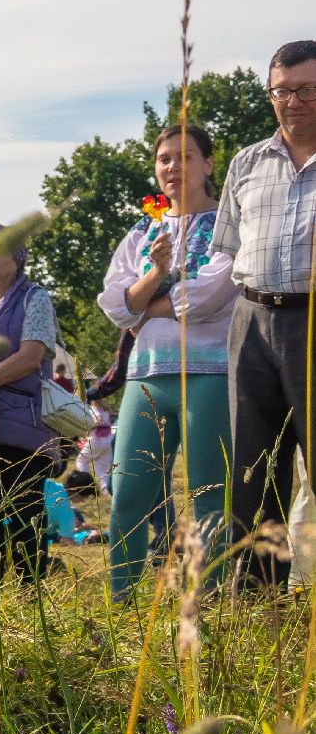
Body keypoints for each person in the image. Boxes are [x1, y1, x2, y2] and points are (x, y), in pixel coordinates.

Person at [98, 123, 235, 599]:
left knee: (210, 491)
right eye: (165, 159)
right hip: (146, 374)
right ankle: (124, 599)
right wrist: (157, 272)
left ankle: (212, 600)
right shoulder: (143, 230)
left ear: (209, 164)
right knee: (129, 490)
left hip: (209, 371)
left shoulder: (226, 224)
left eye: (186, 157)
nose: (174, 167)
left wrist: (147, 302)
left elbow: (211, 294)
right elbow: (114, 303)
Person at [211, 40, 316, 589]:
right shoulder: (246, 162)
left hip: (314, 321)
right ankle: (256, 601)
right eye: (282, 90)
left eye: (307, 89)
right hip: (251, 320)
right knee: (253, 470)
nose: (293, 101)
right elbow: (229, 247)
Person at [0, 223, 62, 582]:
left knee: (24, 520)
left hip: (23, 426)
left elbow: (30, 356)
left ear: (17, 257)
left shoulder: (34, 298)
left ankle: (29, 602)